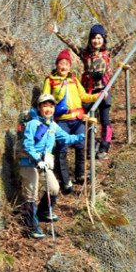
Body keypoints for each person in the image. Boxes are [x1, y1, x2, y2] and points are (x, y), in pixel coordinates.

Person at [49, 21, 136, 159]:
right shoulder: (84, 54)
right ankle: (91, 143)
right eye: (94, 38)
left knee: (105, 119)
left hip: (104, 90)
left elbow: (123, 40)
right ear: (90, 39)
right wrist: (57, 32)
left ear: (103, 39)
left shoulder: (108, 53)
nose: (96, 41)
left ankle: (104, 146)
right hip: (87, 92)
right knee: (87, 119)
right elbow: (70, 44)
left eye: (99, 38)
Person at [19, 93, 86, 238]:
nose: (48, 109)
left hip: (43, 164)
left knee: (54, 188)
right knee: (32, 194)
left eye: (51, 106)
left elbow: (67, 138)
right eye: (45, 106)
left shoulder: (53, 126)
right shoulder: (33, 124)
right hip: (29, 163)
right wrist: (37, 159)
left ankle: (44, 212)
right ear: (39, 108)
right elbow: (27, 144)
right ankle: (30, 227)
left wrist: (84, 135)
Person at [42, 49, 98, 195]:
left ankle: (80, 174)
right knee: (62, 148)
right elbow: (45, 99)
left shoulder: (73, 79)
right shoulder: (50, 80)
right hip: (62, 120)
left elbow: (84, 96)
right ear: (56, 64)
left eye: (67, 64)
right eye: (61, 64)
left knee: (81, 145)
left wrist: (97, 96)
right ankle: (65, 181)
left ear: (70, 66)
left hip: (78, 118)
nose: (64, 67)